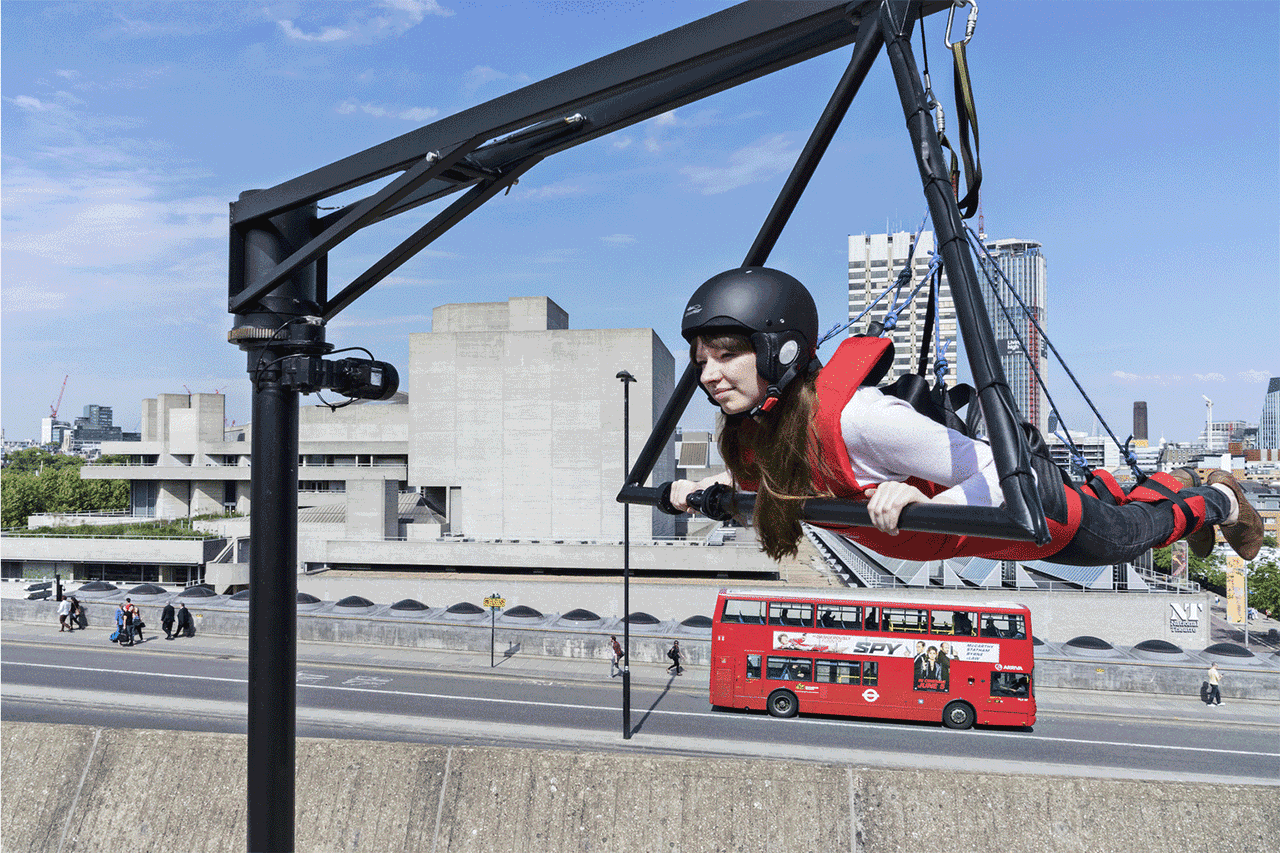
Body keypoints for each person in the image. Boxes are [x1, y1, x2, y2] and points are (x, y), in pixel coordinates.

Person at [663, 267, 1266, 568]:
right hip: (987, 533)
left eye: (726, 354)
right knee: (1110, 492)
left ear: (779, 350)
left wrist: (924, 505)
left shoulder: (859, 420)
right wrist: (696, 494)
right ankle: (1182, 482)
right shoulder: (757, 434)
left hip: (1038, 520)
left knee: (1132, 531)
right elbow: (762, 489)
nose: (710, 374)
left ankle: (1219, 502)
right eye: (701, 359)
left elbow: (1000, 476)